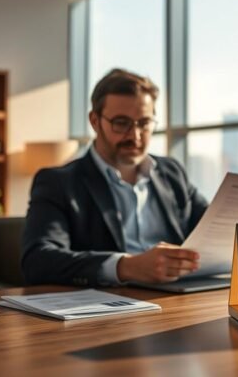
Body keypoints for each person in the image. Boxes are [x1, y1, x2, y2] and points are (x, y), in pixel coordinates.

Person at [22, 68, 208, 286]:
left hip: (179, 300)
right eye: (121, 123)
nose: (135, 135)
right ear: (95, 121)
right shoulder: (58, 183)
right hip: (108, 307)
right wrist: (126, 267)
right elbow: (37, 261)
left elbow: (215, 229)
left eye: (145, 123)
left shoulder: (172, 172)